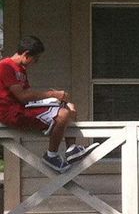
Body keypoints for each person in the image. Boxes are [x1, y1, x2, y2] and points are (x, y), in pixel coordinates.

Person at [0, 36, 98, 173]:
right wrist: (51, 95)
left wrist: (54, 100)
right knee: (62, 114)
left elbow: (28, 95)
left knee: (68, 106)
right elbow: (22, 96)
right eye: (36, 59)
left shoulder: (21, 70)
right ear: (26, 54)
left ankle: (72, 150)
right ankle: (51, 155)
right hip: (11, 113)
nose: (36, 62)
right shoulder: (5, 66)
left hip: (22, 108)